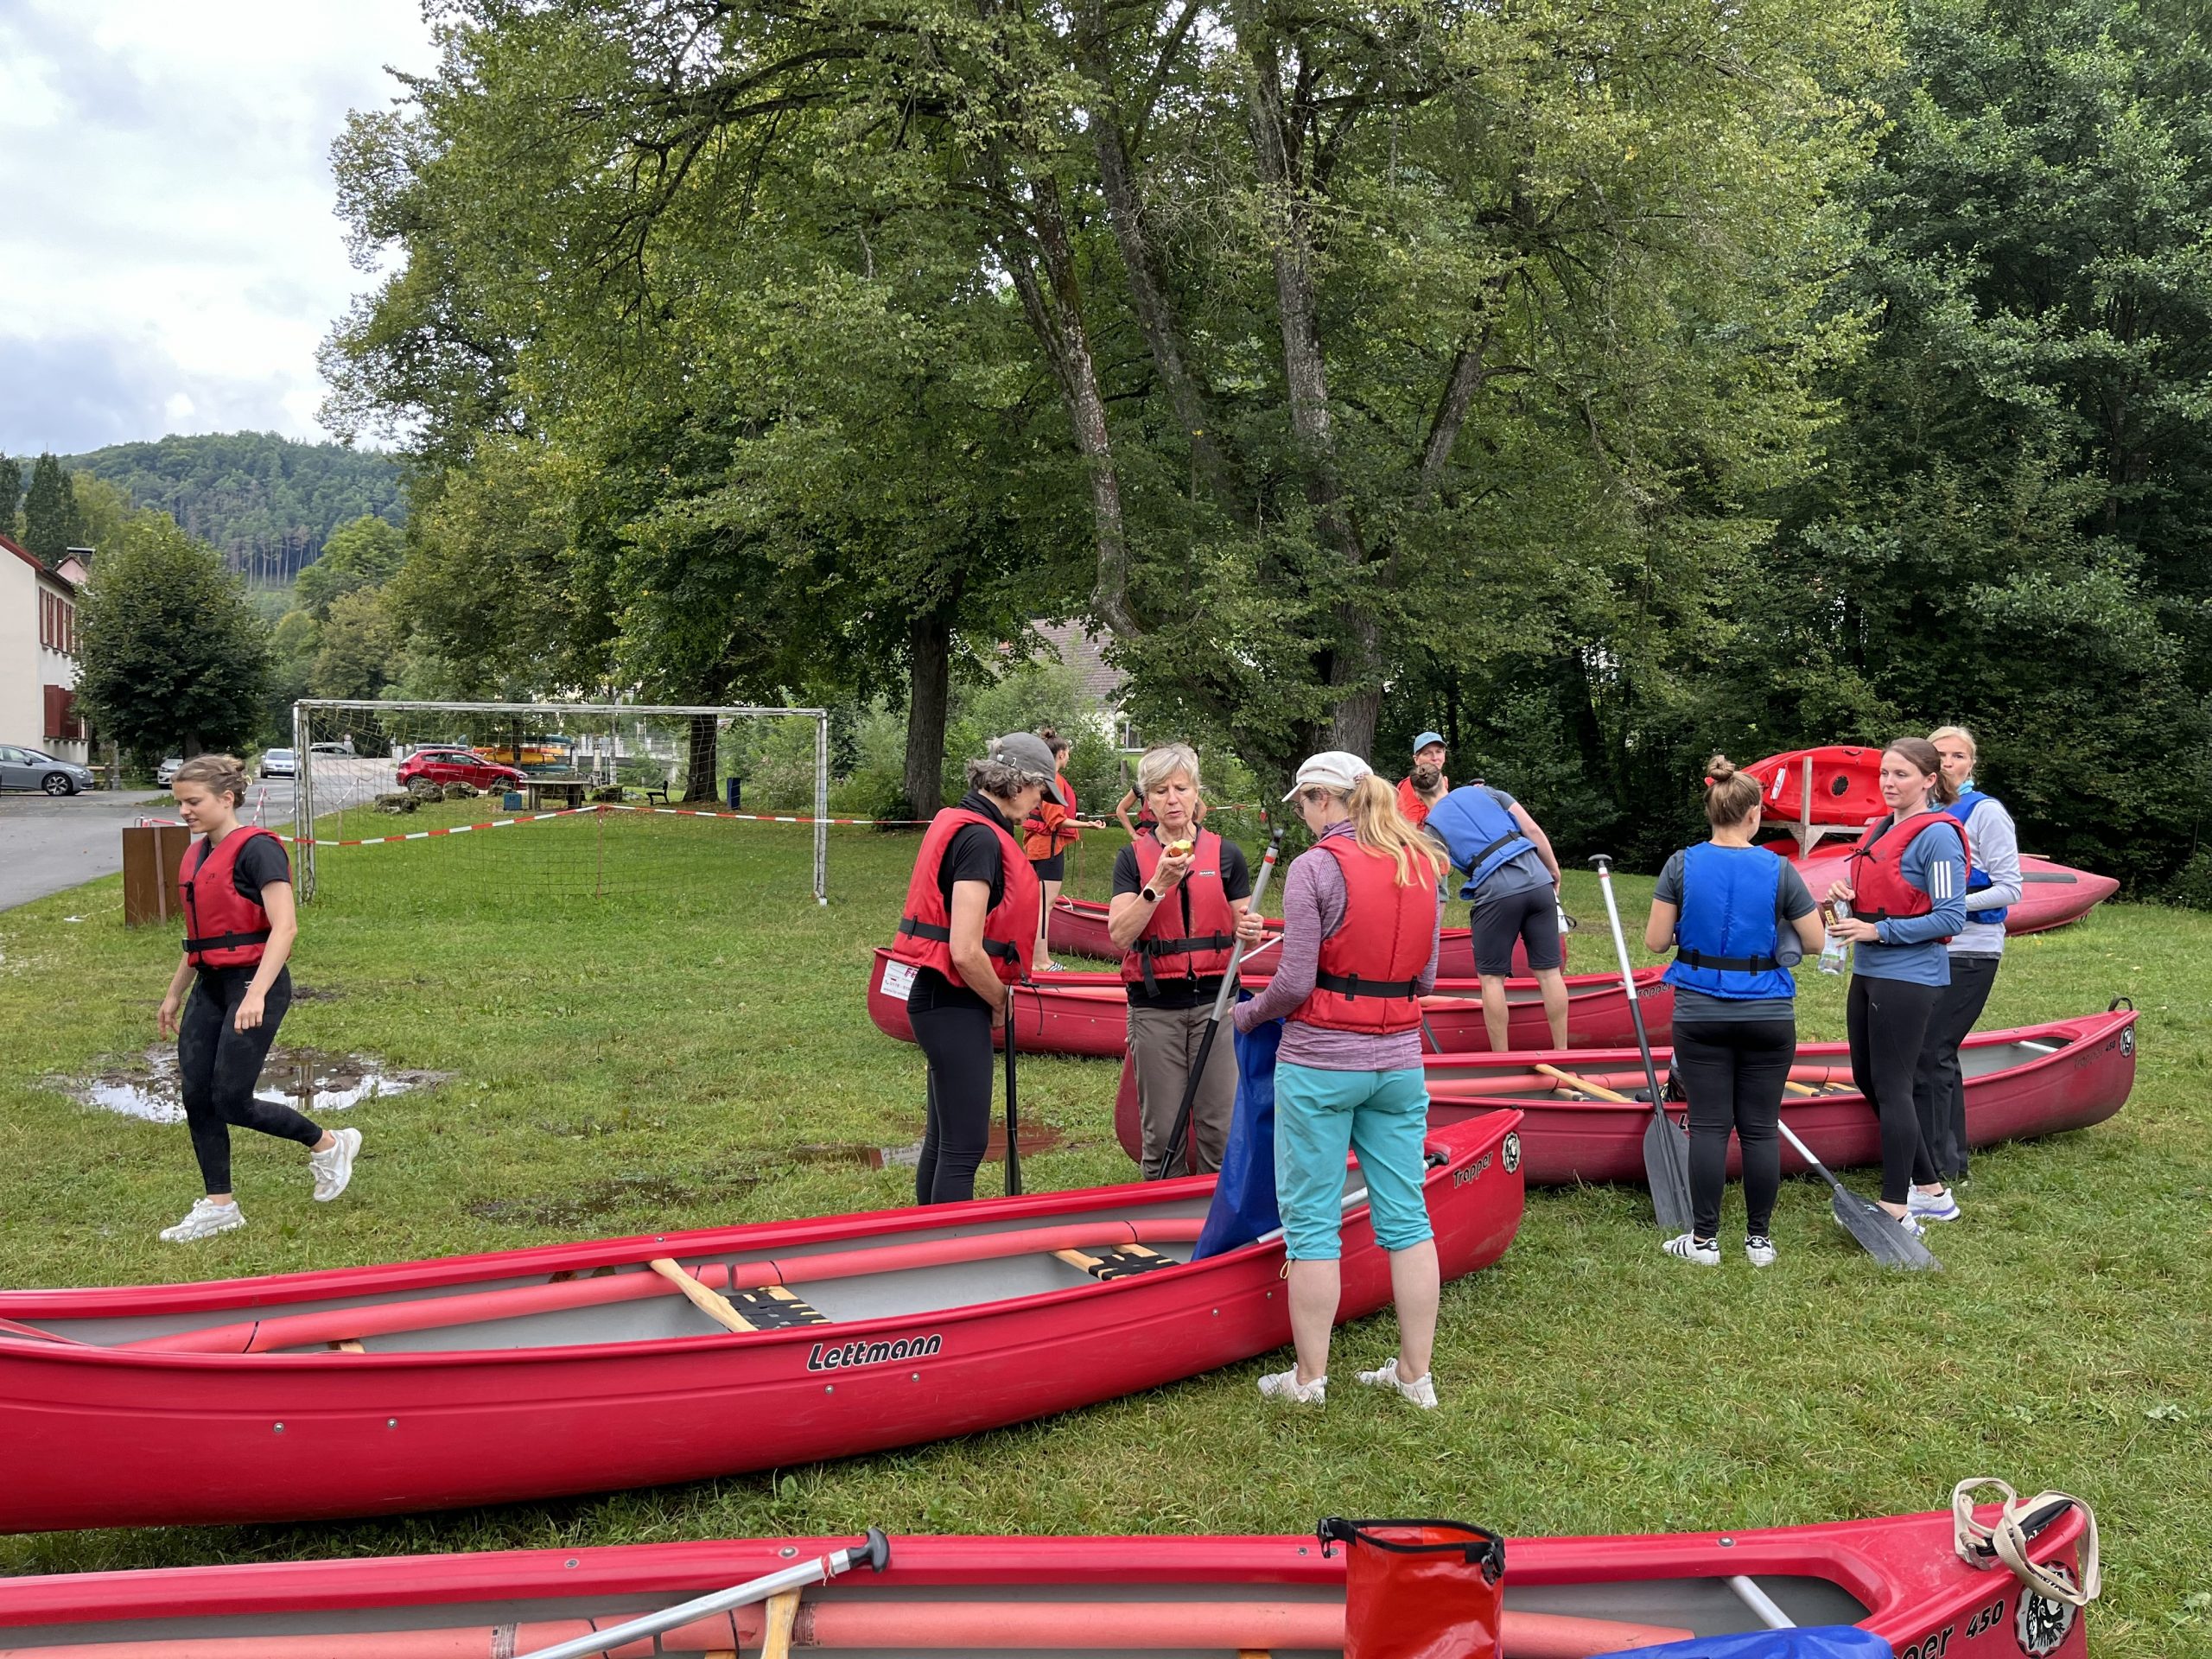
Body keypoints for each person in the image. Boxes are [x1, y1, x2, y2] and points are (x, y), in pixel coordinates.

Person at [1232, 753, 1444, 1409]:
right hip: (1398, 1062)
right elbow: (1427, 978)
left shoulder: (1316, 867)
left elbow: (1295, 982)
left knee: (1312, 1222)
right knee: (1407, 1217)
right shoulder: (1421, 862)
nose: (1302, 816)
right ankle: (1415, 1376)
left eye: (1302, 804)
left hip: (1321, 1064)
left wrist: (1248, 1014)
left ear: (1323, 799)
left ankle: (1308, 1379)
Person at [156, 754, 359, 1243]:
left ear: (227, 798)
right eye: (179, 802)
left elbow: (284, 928)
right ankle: (219, 1206)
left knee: (230, 1099)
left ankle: (328, 1143)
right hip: (210, 985)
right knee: (196, 1095)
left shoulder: (258, 850)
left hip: (255, 982)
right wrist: (173, 994)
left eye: (193, 801)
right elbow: (201, 938)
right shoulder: (197, 854)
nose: (184, 811)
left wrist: (257, 994)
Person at [1644, 756, 1826, 1266]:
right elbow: (1815, 942)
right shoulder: (1780, 868)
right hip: (1767, 1013)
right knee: (1760, 1128)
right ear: (1754, 815)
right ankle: (1758, 1241)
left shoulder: (1680, 864)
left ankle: (1704, 1241)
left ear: (1711, 812)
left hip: (1700, 1013)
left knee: (1708, 1126)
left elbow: (1656, 941)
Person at [890, 732, 1062, 1204]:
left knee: (944, 1141)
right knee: (964, 1148)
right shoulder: (980, 840)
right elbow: (965, 950)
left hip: (939, 1000)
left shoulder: (970, 824)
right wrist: (1001, 999)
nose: (1040, 802)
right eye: (1040, 790)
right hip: (952, 1002)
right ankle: (951, 1244)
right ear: (1018, 782)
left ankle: (929, 1237)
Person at [1823, 737, 1968, 1230]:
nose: (1888, 782)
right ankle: (1932, 1192)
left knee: (1893, 1086)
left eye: (1901, 774)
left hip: (1909, 977)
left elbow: (1950, 916)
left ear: (1929, 780)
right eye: (1884, 773)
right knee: (1869, 1078)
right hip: (1869, 971)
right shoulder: (1881, 827)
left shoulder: (1939, 837)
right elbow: (1885, 890)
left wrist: (1878, 931)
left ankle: (1895, 1207)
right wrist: (1846, 895)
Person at [1107, 743, 1255, 1175]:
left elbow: (1242, 928)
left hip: (1217, 1004)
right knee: (1162, 1134)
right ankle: (1162, 1208)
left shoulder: (1226, 855)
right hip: (1156, 1006)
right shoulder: (1131, 859)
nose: (1172, 799)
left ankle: (1217, 1211)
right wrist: (1156, 886)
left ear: (1196, 793)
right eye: (1160, 791)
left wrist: (1249, 929)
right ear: (1148, 801)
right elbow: (1120, 935)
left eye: (1181, 788)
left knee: (1220, 1130)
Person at [1915, 724, 2023, 1181]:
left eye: (1958, 756)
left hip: (1972, 949)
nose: (1947, 763)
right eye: (1939, 755)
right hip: (1924, 947)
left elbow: (2010, 888)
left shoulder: (1986, 813)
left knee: (1932, 1048)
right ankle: (1944, 1159)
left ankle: (1937, 1168)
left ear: (1971, 764)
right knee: (1932, 1051)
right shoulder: (1918, 812)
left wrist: (1951, 904)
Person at [1422, 780, 1569, 1050]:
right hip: (1539, 881)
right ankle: (1563, 1052)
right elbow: (1532, 830)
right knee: (1550, 974)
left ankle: (1501, 1057)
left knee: (1492, 980)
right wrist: (1553, 871)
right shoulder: (1488, 792)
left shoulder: (1431, 827)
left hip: (1496, 892)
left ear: (1419, 795)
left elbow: (1432, 873)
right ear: (1444, 782)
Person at [1023, 728, 1084, 973]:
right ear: (1061, 754)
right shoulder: (1053, 779)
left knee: (1039, 904)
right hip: (1048, 849)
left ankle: (1036, 957)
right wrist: (1088, 825)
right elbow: (1055, 821)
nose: (1069, 757)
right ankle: (1040, 960)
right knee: (1044, 906)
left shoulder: (1042, 777)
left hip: (1039, 847)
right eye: (1068, 753)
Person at [1397, 732, 1449, 827]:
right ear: (1416, 759)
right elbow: (1409, 829)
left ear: (1444, 754)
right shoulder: (1411, 785)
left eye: (1438, 752)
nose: (1435, 758)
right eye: (1427, 753)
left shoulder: (1442, 780)